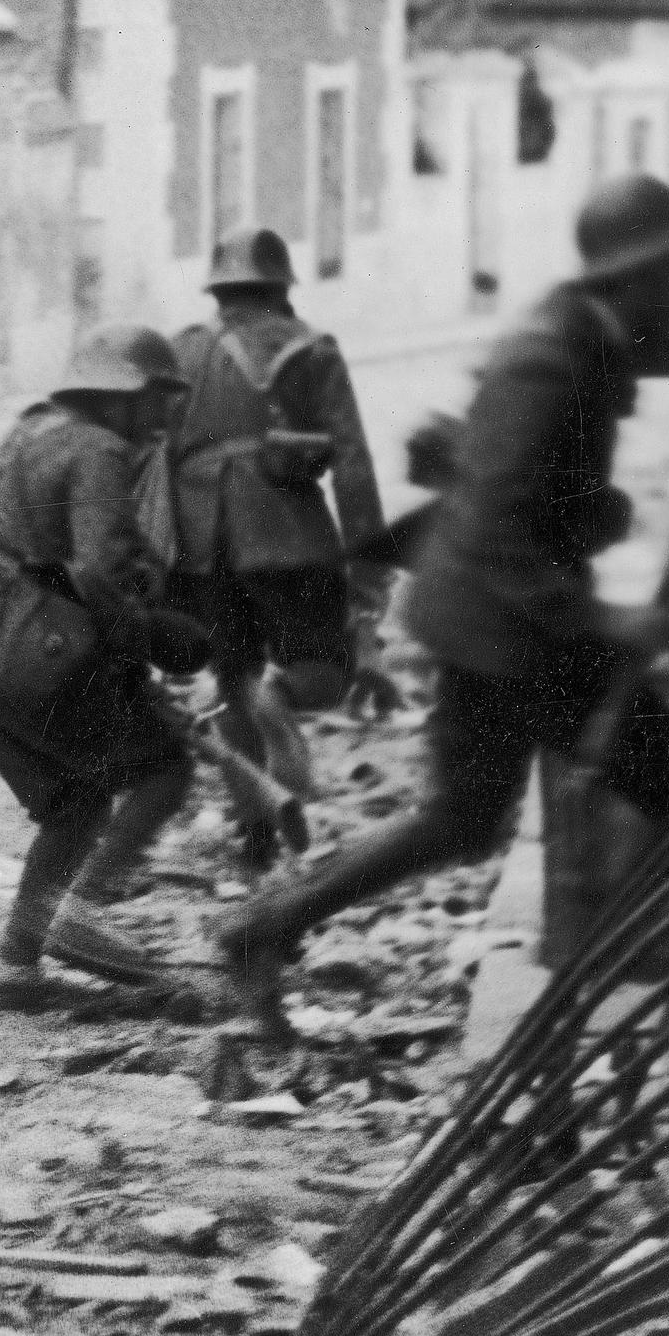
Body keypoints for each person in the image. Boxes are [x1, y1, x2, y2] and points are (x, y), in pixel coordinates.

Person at [210, 174, 669, 1026]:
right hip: (503, 619)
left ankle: (264, 927)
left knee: (471, 820)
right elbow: (494, 530)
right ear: (630, 275)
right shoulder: (548, 362)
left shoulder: (596, 324)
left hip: (511, 618)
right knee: (665, 777)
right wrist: (613, 620)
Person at [0, 323, 214, 995]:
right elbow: (105, 572)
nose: (165, 414)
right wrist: (156, 639)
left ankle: (16, 964)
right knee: (164, 766)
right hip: (16, 638)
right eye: (160, 397)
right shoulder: (101, 448)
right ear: (127, 395)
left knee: (76, 797)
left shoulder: (34, 429)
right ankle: (80, 910)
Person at [166, 227, 394, 869]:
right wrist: (369, 577)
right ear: (282, 288)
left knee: (231, 677)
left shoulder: (181, 350)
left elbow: (154, 458)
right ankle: (282, 699)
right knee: (325, 666)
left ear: (217, 290)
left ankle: (257, 833)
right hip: (286, 535)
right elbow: (352, 464)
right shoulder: (311, 347)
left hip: (202, 544)